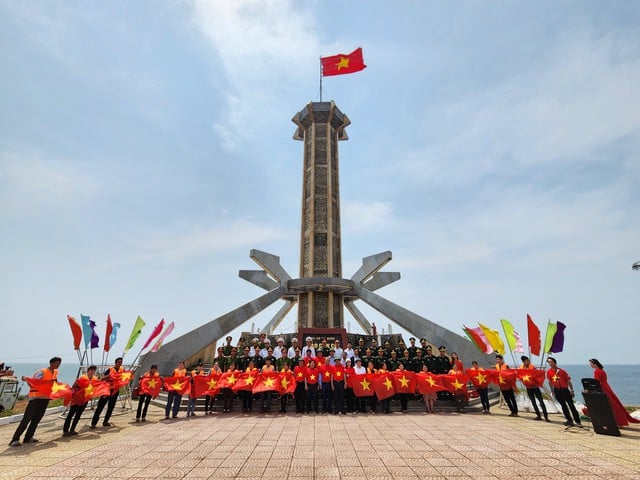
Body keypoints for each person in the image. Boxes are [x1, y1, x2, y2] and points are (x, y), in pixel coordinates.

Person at [10, 356, 62, 447]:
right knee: (26, 420)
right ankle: (15, 439)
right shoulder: (42, 372)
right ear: (51, 363)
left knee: (36, 420)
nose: (58, 366)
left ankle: (28, 437)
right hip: (35, 399)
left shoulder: (55, 373)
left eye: (59, 364)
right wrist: (27, 379)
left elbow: (55, 384)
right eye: (57, 364)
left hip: (45, 400)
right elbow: (33, 382)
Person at [589, 358, 640, 426]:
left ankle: (617, 422)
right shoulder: (602, 370)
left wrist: (591, 389)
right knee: (614, 404)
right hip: (607, 387)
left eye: (591, 364)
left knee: (610, 405)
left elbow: (597, 382)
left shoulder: (597, 371)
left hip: (602, 388)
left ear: (595, 364)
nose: (590, 365)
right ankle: (618, 421)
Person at [546, 357, 582, 427]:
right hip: (557, 390)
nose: (550, 363)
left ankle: (578, 421)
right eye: (549, 362)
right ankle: (569, 420)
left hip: (564, 390)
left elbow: (568, 381)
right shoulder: (549, 372)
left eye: (551, 362)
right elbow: (550, 381)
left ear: (555, 362)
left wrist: (571, 390)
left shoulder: (562, 371)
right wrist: (552, 390)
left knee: (571, 405)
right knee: (563, 406)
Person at [91, 357, 125, 428]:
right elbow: (102, 378)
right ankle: (93, 424)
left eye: (121, 362)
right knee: (100, 406)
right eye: (119, 362)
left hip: (115, 391)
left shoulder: (122, 370)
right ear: (115, 363)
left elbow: (124, 377)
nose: (120, 363)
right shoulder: (110, 369)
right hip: (107, 390)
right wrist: (108, 376)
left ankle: (105, 421)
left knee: (111, 407)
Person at [63, 365, 98, 436]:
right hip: (77, 399)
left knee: (78, 415)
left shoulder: (94, 379)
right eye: (92, 370)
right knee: (71, 414)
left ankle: (72, 429)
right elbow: (73, 386)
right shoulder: (82, 378)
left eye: (94, 370)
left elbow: (94, 388)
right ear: (88, 370)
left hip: (84, 400)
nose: (93, 372)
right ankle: (65, 431)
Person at [520, 356, 548, 422]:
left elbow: (537, 375)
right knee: (533, 402)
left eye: (529, 360)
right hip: (528, 388)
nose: (529, 361)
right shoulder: (521, 368)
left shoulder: (532, 367)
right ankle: (538, 415)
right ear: (524, 361)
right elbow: (520, 375)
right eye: (527, 360)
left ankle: (546, 416)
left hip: (535, 387)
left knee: (541, 401)